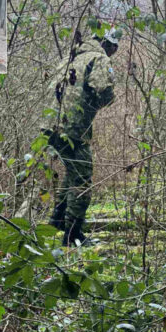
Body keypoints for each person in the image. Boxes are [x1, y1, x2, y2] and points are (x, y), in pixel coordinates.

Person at [45, 28, 118, 246]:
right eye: (114, 48)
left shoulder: (73, 56)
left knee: (72, 173)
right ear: (109, 45)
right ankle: (72, 235)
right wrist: (104, 101)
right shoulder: (99, 58)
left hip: (51, 125)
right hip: (74, 129)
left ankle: (56, 224)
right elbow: (103, 90)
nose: (113, 53)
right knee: (83, 180)